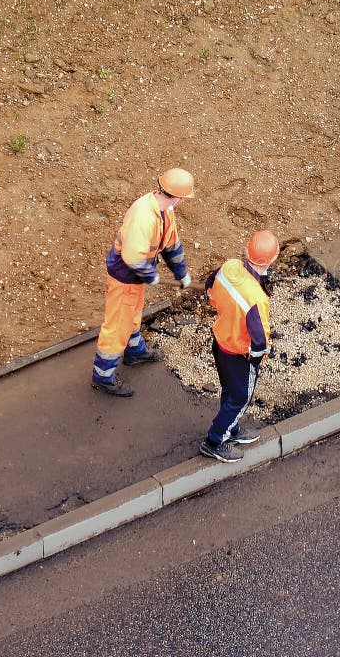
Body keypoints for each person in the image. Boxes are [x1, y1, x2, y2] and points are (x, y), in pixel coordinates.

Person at [91, 168, 194, 397]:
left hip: (136, 276)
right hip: (125, 276)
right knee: (118, 324)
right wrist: (150, 274)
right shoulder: (144, 216)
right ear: (177, 197)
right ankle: (103, 376)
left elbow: (171, 245)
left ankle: (135, 351)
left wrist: (181, 273)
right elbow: (133, 257)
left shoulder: (165, 211)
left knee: (133, 312)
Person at [199, 230, 280, 463]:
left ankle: (231, 428)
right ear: (271, 260)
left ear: (247, 250)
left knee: (230, 391)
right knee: (241, 397)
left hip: (221, 342)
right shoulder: (257, 298)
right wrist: (255, 361)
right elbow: (260, 341)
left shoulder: (230, 266)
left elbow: (210, 287)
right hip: (238, 354)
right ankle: (215, 441)